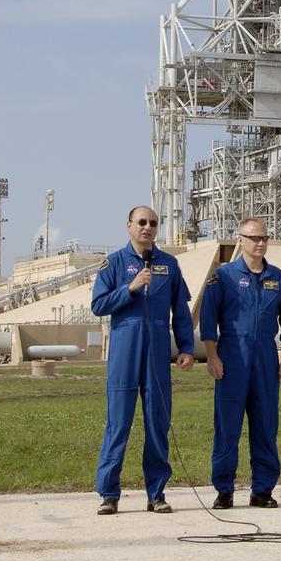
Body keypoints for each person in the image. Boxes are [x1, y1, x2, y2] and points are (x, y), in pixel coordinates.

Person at [92, 205, 194, 515]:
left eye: (152, 223)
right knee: (118, 424)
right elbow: (98, 304)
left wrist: (187, 347)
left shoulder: (169, 264)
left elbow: (182, 311)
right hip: (125, 350)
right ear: (129, 226)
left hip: (157, 353)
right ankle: (109, 493)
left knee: (157, 423)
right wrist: (130, 289)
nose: (147, 227)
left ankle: (157, 493)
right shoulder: (113, 263)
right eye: (141, 222)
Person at [199, 218, 281, 509]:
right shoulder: (224, 276)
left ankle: (262, 490)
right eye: (254, 238)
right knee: (227, 427)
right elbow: (208, 321)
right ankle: (224, 490)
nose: (260, 243)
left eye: (264, 238)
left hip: (266, 358)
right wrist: (213, 356)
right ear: (240, 239)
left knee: (265, 425)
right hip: (232, 356)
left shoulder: (277, 277)